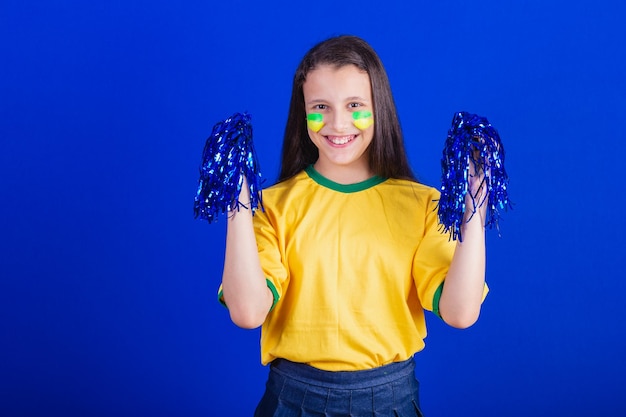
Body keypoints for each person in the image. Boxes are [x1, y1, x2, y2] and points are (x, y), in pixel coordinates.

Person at [218, 35, 488, 416]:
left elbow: (461, 313)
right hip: (292, 400)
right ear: (303, 113)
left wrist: (474, 207)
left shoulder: (423, 205)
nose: (338, 122)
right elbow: (247, 313)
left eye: (355, 105)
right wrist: (238, 205)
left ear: (380, 109)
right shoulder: (271, 207)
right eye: (321, 107)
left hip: (390, 401)